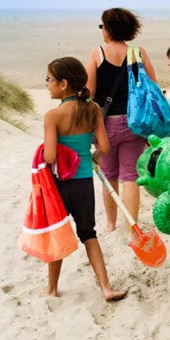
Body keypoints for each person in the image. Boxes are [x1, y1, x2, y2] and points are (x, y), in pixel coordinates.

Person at [43, 57, 126, 301]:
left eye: (49, 79)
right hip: (83, 183)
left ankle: (52, 288)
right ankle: (106, 287)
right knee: (88, 232)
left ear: (63, 84)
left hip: (59, 184)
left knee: (57, 231)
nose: (47, 84)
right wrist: (94, 158)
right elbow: (104, 146)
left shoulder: (53, 116)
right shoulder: (93, 109)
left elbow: (49, 156)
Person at [85, 8, 158, 232]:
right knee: (130, 176)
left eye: (102, 26)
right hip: (135, 124)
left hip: (105, 126)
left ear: (107, 29)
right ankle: (131, 230)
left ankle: (110, 224)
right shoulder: (139, 53)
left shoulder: (97, 54)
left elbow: (89, 92)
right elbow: (152, 88)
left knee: (109, 176)